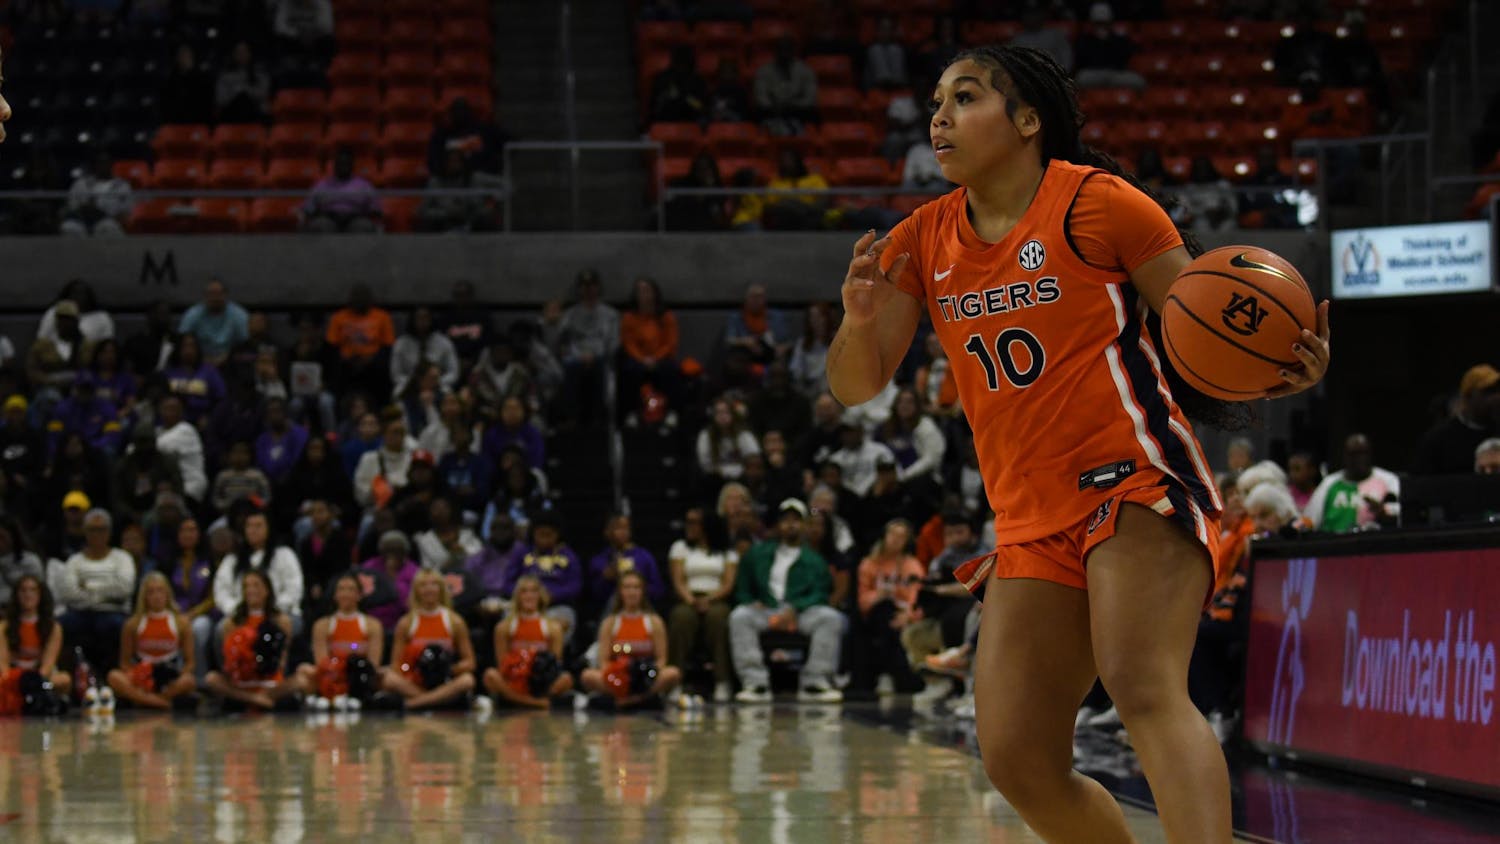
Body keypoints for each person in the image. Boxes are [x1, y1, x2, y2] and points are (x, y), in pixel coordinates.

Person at [825, 46, 1330, 842]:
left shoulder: (1102, 204)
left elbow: (1200, 329)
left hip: (1135, 478)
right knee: (1017, 755)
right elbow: (856, 385)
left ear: (1027, 120)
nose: (940, 118)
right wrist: (857, 322)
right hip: (1030, 516)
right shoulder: (922, 239)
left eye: (965, 98)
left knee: (1143, 685)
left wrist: (1271, 371)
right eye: (935, 103)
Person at [728, 499, 844, 704]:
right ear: (777, 525)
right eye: (786, 520)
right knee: (739, 616)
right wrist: (752, 602)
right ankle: (756, 683)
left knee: (830, 618)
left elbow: (821, 593)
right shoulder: (757, 554)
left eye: (796, 520)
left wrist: (795, 609)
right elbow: (742, 588)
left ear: (804, 525)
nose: (791, 525)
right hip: (766, 609)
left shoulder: (814, 559)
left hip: (800, 613)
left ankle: (814, 683)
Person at [580, 570, 684, 708]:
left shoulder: (654, 622)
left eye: (636, 587)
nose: (632, 592)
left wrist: (649, 675)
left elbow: (661, 659)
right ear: (620, 592)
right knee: (588, 676)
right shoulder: (610, 623)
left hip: (646, 676)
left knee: (673, 673)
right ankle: (636, 699)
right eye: (627, 587)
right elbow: (603, 661)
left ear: (643, 592)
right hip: (617, 676)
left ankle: (633, 699)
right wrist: (616, 678)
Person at [203, 570, 304, 710]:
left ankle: (263, 697)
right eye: (247, 586)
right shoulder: (231, 623)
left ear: (267, 590)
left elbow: (282, 661)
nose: (251, 590)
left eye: (256, 585)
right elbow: (228, 662)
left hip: (271, 682)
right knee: (211, 679)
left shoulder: (281, 621)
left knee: (301, 680)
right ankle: (254, 699)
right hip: (241, 683)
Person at [666, 507, 737, 703]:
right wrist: (691, 600)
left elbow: (728, 583)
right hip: (688, 597)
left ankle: (722, 680)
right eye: (687, 522)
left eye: (694, 522)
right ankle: (675, 680)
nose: (689, 527)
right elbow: (678, 580)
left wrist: (710, 599)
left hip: (717, 597)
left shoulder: (726, 551)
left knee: (719, 618)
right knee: (681, 618)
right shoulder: (680, 547)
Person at [382, 569, 480, 711]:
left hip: (445, 681)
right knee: (389, 679)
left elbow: (470, 662)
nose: (429, 589)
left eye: (433, 584)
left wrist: (447, 670)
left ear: (441, 589)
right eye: (423, 585)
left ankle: (412, 704)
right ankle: (440, 701)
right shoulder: (406, 622)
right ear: (416, 591)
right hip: (415, 681)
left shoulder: (455, 621)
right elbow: (397, 663)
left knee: (467, 680)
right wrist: (411, 672)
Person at [53, 508, 135, 673]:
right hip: (80, 613)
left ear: (109, 532)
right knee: (59, 625)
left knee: (114, 625)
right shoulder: (75, 560)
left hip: (114, 612)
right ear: (85, 531)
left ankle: (115, 673)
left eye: (102, 529)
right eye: (92, 529)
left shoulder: (122, 558)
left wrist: (88, 586)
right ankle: (68, 676)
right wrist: (106, 590)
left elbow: (124, 589)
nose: (97, 534)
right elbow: (68, 593)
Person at [105, 573, 197, 710]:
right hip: (142, 677)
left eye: (160, 590)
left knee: (189, 681)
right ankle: (164, 704)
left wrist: (181, 676)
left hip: (169, 677)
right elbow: (124, 662)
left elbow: (190, 662)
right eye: (151, 592)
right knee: (114, 677)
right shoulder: (132, 624)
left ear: (167, 594)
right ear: (144, 597)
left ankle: (143, 701)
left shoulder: (181, 623)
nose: (156, 596)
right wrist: (135, 676)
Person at [294, 573, 385, 712]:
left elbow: (373, 665)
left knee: (386, 675)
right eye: (341, 589)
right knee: (303, 671)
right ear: (335, 595)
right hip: (331, 677)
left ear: (359, 595)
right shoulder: (322, 625)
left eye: (351, 589)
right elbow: (322, 664)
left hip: (360, 677)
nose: (346, 593)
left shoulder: (373, 625)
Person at [480, 575, 574, 708]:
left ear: (540, 595)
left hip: (541, 682)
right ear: (517, 596)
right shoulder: (503, 627)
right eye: (524, 591)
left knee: (566, 679)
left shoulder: (553, 628)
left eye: (534, 591)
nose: (529, 596)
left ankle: (520, 701)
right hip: (513, 680)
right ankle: (535, 703)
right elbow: (502, 664)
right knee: (490, 676)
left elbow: (555, 663)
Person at [212, 510, 305, 637]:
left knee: (285, 625)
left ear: (268, 528)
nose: (252, 530)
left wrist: (269, 610)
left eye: (258, 526)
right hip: (241, 614)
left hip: (280, 613)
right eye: (249, 526)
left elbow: (294, 590)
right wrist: (239, 610)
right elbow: (221, 591)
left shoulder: (284, 554)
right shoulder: (233, 559)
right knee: (220, 629)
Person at [555, 269, 620, 427]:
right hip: (575, 359)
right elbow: (561, 342)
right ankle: (571, 418)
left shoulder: (611, 315)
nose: (588, 289)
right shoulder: (569, 315)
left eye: (592, 285)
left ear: (598, 287)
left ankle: (598, 419)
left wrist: (596, 355)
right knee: (570, 367)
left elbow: (614, 343)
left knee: (600, 369)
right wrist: (577, 355)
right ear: (579, 289)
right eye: (584, 286)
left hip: (601, 359)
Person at [1413, 364, 1500, 475]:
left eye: (1498, 390)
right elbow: (1420, 483)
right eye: (1489, 392)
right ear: (1468, 396)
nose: (1497, 397)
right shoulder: (1439, 439)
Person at [1303, 434, 1399, 533]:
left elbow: (1401, 516)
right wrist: (1296, 527)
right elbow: (1309, 519)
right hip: (1333, 542)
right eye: (1353, 454)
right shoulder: (1329, 483)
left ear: (1371, 455)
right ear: (1344, 456)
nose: (1358, 459)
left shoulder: (1388, 480)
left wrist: (1383, 512)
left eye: (1363, 453)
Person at [618, 276, 680, 423]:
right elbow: (628, 343)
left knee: (671, 369)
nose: (644, 295)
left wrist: (656, 358)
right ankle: (632, 413)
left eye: (647, 291)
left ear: (655, 294)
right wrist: (642, 359)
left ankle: (671, 412)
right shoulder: (629, 317)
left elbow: (670, 343)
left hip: (661, 358)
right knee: (629, 370)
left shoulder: (666, 317)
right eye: (640, 291)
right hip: (638, 359)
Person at [0, 575, 71, 697]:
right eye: (23, 590)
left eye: (33, 590)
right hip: (13, 677)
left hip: (40, 679)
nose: (28, 595)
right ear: (16, 595)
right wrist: (13, 681)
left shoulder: (53, 627)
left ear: (40, 595)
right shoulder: (4, 626)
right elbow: (3, 664)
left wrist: (34, 682)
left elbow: (48, 666)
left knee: (64, 680)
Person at [587, 513, 666, 613]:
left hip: (642, 606)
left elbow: (659, 589)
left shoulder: (644, 556)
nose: (623, 532)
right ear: (607, 532)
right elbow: (593, 596)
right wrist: (605, 580)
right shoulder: (598, 561)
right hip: (611, 609)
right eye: (618, 528)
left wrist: (636, 588)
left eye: (626, 528)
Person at [304, 147, 381, 234]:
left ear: (352, 165)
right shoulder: (321, 185)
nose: (343, 165)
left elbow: (375, 209)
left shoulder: (364, 185)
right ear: (335, 165)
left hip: (355, 218)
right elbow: (309, 208)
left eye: (346, 163)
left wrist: (370, 214)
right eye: (340, 162)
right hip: (328, 218)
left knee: (364, 226)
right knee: (319, 225)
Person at [753, 36, 818, 136]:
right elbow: (761, 98)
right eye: (781, 49)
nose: (784, 53)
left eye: (787, 49)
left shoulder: (806, 71)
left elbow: (810, 99)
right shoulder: (763, 72)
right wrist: (776, 108)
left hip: (799, 115)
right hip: (772, 114)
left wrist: (792, 107)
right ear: (776, 51)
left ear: (793, 51)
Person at [1072, 3, 1144, 91]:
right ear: (1092, 23)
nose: (1101, 27)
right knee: (1080, 78)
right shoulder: (1084, 41)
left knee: (1138, 81)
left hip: (1115, 74)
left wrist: (1107, 42)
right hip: (1093, 74)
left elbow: (1124, 60)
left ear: (1110, 23)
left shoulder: (1120, 40)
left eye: (1104, 23)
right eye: (1098, 23)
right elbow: (1081, 62)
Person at [60, 152, 134, 237]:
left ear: (111, 164)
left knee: (107, 227)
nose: (103, 165)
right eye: (100, 162)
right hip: (82, 220)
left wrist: (109, 216)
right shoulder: (81, 183)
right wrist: (84, 208)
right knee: (69, 227)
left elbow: (126, 212)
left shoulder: (122, 186)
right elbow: (71, 206)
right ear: (95, 165)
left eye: (106, 162)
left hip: (109, 220)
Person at [391, 307, 460, 398]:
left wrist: (435, 382)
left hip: (438, 384)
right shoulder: (401, 344)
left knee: (449, 398)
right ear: (412, 320)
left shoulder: (444, 342)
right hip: (409, 385)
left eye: (426, 318)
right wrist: (415, 383)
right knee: (397, 395)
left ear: (431, 320)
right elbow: (396, 375)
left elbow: (453, 372)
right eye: (419, 318)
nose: (423, 322)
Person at [178, 279, 250, 366]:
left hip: (231, 363)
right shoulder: (192, 315)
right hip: (198, 363)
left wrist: (228, 357)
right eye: (211, 294)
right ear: (205, 296)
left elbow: (246, 344)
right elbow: (182, 341)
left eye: (219, 294)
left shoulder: (240, 315)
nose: (215, 298)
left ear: (226, 295)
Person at [214, 40, 271, 123]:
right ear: (233, 54)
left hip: (255, 114)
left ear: (250, 53)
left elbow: (264, 94)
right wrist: (236, 92)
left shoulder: (260, 73)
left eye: (244, 51)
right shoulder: (225, 76)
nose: (241, 54)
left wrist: (245, 90)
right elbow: (220, 99)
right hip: (231, 115)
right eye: (238, 52)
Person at [650, 44, 708, 123]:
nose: (682, 65)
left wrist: (686, 98)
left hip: (692, 123)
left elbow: (701, 106)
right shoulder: (663, 79)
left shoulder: (697, 81)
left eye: (684, 60)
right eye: (680, 60)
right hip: (665, 123)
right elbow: (655, 107)